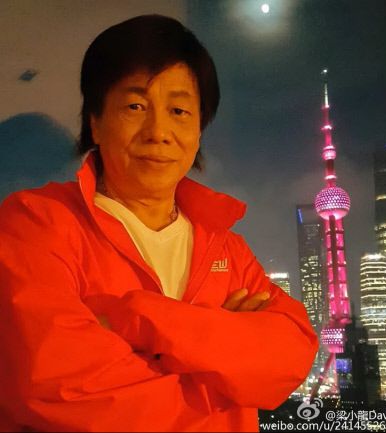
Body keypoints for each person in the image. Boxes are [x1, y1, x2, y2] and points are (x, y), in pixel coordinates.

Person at [0, 14, 318, 432]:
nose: (159, 131)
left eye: (179, 111)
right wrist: (220, 379)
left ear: (199, 130)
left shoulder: (226, 247)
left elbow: (289, 358)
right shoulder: (36, 223)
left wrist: (139, 318)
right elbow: (57, 387)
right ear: (95, 122)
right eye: (136, 106)